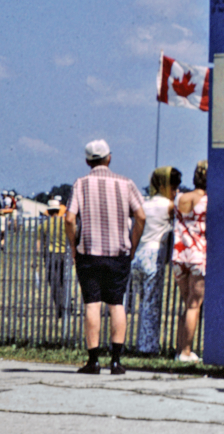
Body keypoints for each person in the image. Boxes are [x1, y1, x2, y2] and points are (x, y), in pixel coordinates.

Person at [65, 139, 146, 375]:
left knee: (92, 303)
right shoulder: (126, 183)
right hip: (118, 253)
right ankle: (116, 361)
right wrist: (132, 244)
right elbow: (141, 216)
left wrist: (74, 246)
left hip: (89, 253)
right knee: (116, 303)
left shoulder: (80, 184)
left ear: (87, 161)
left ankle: (93, 360)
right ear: (109, 158)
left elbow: (69, 219)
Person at [131, 167, 180, 354]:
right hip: (154, 255)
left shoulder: (145, 204)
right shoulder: (169, 206)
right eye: (173, 187)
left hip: (138, 255)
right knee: (152, 305)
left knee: (142, 303)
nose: (176, 191)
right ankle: (147, 346)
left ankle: (138, 342)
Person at [172, 161, 207, 362]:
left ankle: (179, 350)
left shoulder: (179, 199)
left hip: (179, 254)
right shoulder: (207, 201)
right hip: (197, 254)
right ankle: (186, 351)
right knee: (194, 305)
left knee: (186, 304)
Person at [36, 197, 71, 318]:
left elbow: (39, 243)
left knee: (54, 282)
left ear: (49, 211)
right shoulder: (65, 223)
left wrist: (37, 258)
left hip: (50, 254)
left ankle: (59, 306)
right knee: (65, 281)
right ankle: (67, 305)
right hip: (64, 254)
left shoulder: (43, 225)